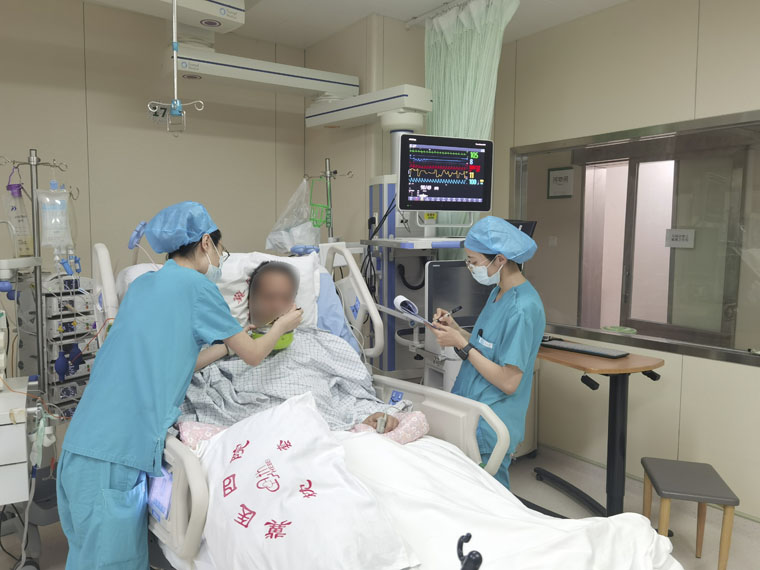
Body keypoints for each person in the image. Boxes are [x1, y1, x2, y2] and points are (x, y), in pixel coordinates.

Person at [56, 201, 302, 569]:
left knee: (87, 557)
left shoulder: (143, 286)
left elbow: (177, 362)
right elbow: (253, 355)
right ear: (206, 242)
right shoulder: (198, 288)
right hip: (114, 456)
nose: (219, 260)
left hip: (83, 447)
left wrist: (224, 347)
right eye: (220, 250)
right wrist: (282, 325)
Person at [195, 260, 399, 433]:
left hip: (328, 433)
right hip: (260, 435)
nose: (277, 306)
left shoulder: (322, 343)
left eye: (285, 299)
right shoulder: (229, 345)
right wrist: (231, 346)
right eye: (269, 297)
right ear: (250, 300)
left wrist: (370, 418)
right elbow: (194, 391)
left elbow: (355, 397)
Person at [430, 216, 545, 488]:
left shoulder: (522, 309)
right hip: (471, 408)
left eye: (474, 261)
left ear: (500, 260)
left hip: (490, 422)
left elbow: (509, 381)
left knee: (490, 500)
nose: (470, 267)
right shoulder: (499, 293)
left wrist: (461, 344)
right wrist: (456, 330)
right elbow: (485, 347)